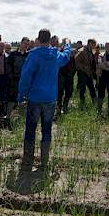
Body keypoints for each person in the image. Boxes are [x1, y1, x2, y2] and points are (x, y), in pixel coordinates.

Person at [18, 29, 71, 172]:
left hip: (35, 98)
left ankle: (28, 161)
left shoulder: (33, 55)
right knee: (46, 130)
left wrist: (21, 96)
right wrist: (67, 44)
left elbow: (25, 77)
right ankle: (44, 162)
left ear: (38, 39)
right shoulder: (55, 55)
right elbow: (66, 56)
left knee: (30, 129)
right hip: (50, 99)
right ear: (49, 40)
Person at [6, 37, 30, 123]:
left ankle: (21, 118)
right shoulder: (13, 54)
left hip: (25, 82)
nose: (26, 46)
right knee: (12, 98)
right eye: (25, 44)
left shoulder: (29, 55)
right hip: (15, 80)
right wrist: (11, 77)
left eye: (27, 44)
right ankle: (8, 117)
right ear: (21, 43)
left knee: (24, 99)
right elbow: (8, 66)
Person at [57, 40, 81, 115]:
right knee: (60, 94)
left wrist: (72, 74)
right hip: (61, 76)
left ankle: (65, 107)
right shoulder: (59, 52)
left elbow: (74, 65)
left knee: (68, 93)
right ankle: (59, 109)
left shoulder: (71, 53)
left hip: (69, 76)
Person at [75, 39, 97, 109]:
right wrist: (84, 68)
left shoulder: (90, 51)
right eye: (94, 44)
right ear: (90, 43)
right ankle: (82, 105)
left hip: (89, 73)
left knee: (92, 88)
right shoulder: (82, 51)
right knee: (82, 89)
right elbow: (77, 62)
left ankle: (95, 104)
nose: (94, 46)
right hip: (82, 73)